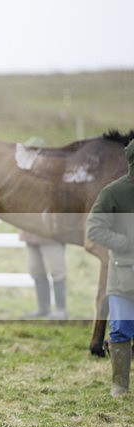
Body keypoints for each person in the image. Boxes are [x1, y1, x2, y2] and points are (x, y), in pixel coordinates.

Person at [86, 139, 134, 396]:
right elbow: (93, 229)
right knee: (121, 329)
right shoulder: (113, 193)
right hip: (124, 276)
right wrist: (124, 242)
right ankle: (120, 386)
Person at [19, 230, 68, 319]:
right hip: (30, 234)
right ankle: (43, 309)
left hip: (51, 235)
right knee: (36, 273)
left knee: (56, 271)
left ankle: (60, 310)